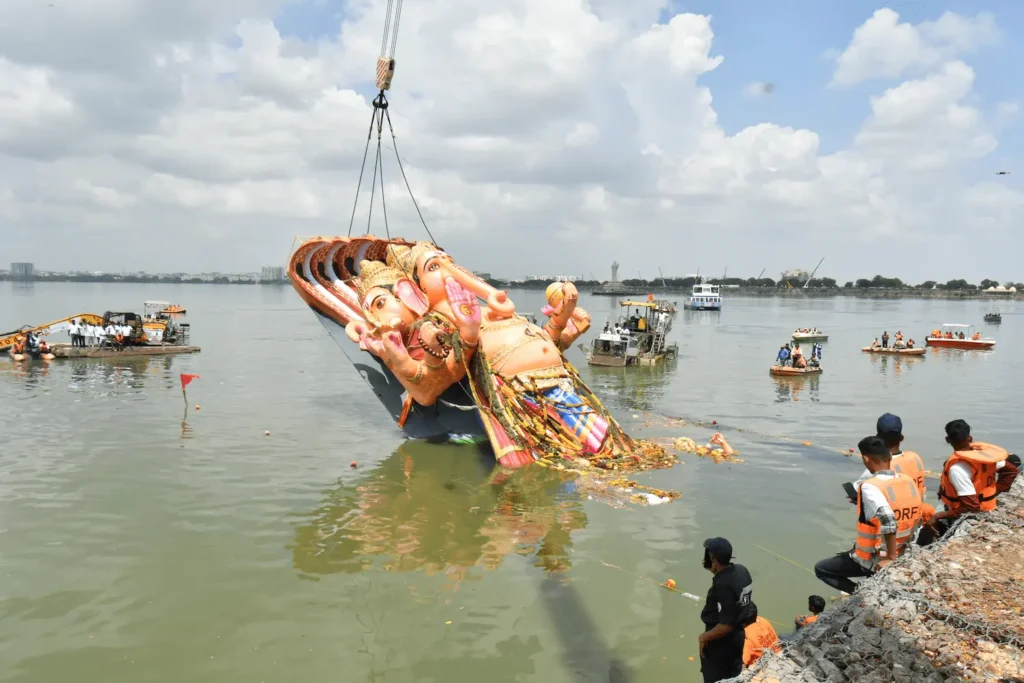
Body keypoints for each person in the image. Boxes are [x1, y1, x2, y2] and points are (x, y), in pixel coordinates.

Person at [814, 436, 922, 594]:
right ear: (890, 456)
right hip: (904, 550)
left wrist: (890, 558)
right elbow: (912, 514)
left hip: (876, 558)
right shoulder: (907, 480)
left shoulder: (870, 487)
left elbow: (889, 520)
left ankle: (864, 592)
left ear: (865, 459)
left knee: (822, 569)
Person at [919, 420, 1020, 546]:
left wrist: (938, 516)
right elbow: (1011, 471)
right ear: (970, 438)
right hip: (988, 507)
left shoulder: (957, 469)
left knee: (925, 534)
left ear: (947, 440)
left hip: (962, 514)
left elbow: (971, 507)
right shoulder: (986, 459)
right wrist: (994, 491)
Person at [698, 538, 756, 682]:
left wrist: (703, 637)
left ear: (713, 557)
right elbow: (743, 603)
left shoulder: (723, 585)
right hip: (738, 637)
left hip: (720, 644)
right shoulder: (741, 571)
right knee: (733, 675)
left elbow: (726, 625)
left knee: (715, 678)